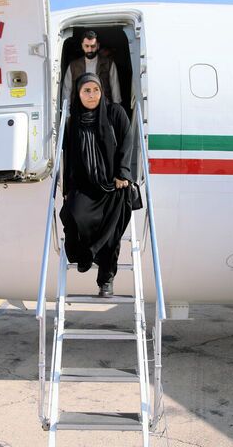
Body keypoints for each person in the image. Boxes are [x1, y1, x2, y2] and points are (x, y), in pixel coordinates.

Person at [60, 73, 134, 297]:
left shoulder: (115, 113)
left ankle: (106, 280)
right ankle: (86, 254)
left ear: (102, 92)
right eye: (86, 91)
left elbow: (127, 141)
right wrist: (67, 189)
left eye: (96, 90)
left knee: (111, 234)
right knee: (71, 214)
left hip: (113, 186)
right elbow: (69, 156)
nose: (92, 95)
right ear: (79, 94)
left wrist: (122, 173)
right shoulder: (74, 121)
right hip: (85, 185)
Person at [61, 31, 122, 107]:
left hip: (103, 107)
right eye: (86, 46)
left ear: (98, 46)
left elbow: (115, 89)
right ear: (82, 46)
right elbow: (67, 91)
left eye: (93, 46)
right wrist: (66, 112)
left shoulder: (109, 64)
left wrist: (116, 109)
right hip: (79, 109)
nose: (90, 50)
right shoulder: (73, 66)